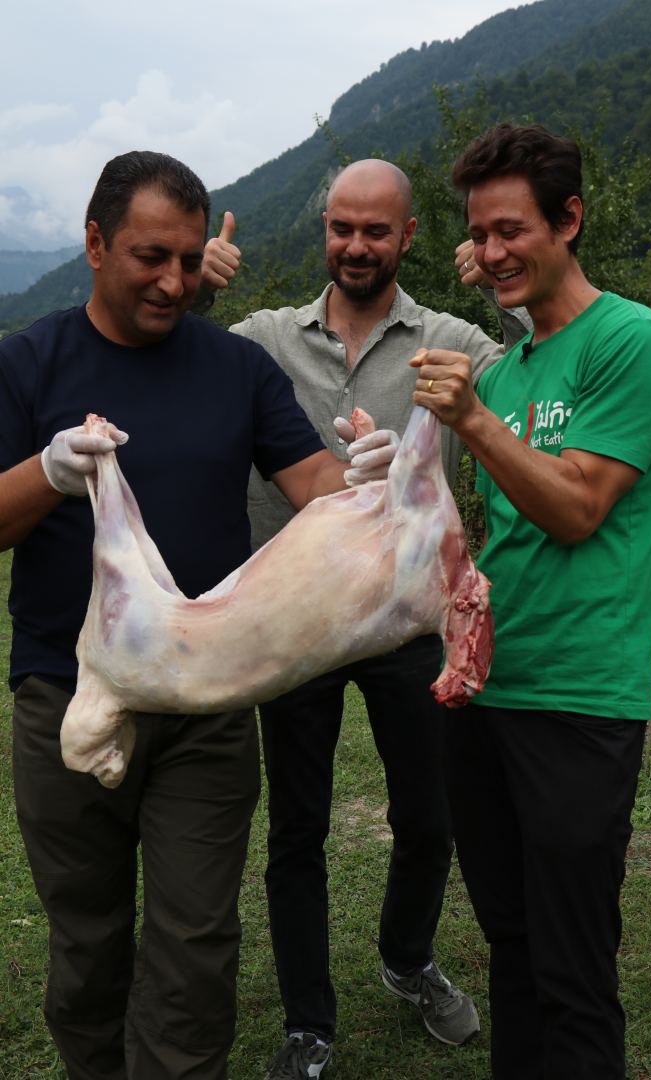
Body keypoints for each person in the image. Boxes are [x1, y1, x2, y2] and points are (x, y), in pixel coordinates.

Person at [0, 150, 395, 1080]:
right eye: (150, 256)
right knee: (87, 936)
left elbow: (313, 483)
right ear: (95, 244)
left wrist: (369, 476)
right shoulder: (27, 360)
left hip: (208, 701)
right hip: (67, 691)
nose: (174, 281)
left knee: (196, 937)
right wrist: (49, 473)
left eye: (187, 259)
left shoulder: (236, 367)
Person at [200, 158, 529, 1079]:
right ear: (326, 231)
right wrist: (191, 287)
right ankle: (310, 1021)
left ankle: (408, 957)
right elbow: (174, 365)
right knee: (297, 829)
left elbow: (543, 370)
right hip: (296, 624)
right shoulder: (263, 335)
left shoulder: (453, 336)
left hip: (405, 623)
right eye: (341, 228)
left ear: (409, 236)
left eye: (374, 231)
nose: (354, 246)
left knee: (430, 816)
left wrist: (507, 290)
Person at [410, 123, 651, 1080]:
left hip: (578, 699)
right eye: (478, 235)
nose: (490, 255)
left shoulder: (630, 341)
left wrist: (474, 420)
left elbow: (575, 509)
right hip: (487, 691)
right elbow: (514, 531)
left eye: (511, 231)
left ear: (569, 220)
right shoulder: (517, 361)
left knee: (573, 970)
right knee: (513, 946)